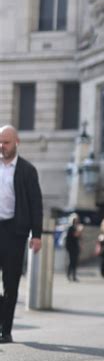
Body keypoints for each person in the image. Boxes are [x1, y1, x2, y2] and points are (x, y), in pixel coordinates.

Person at [0, 125, 43, 344]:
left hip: (15, 233)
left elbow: (36, 204)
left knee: (11, 282)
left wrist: (37, 235)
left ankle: (5, 330)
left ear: (16, 143)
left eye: (6, 142)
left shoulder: (27, 170)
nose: (2, 146)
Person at [65, 213, 82, 282]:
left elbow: (79, 238)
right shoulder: (71, 228)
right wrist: (80, 230)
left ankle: (73, 276)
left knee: (75, 262)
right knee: (72, 261)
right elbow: (76, 235)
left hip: (75, 247)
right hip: (71, 247)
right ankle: (69, 275)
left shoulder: (76, 227)